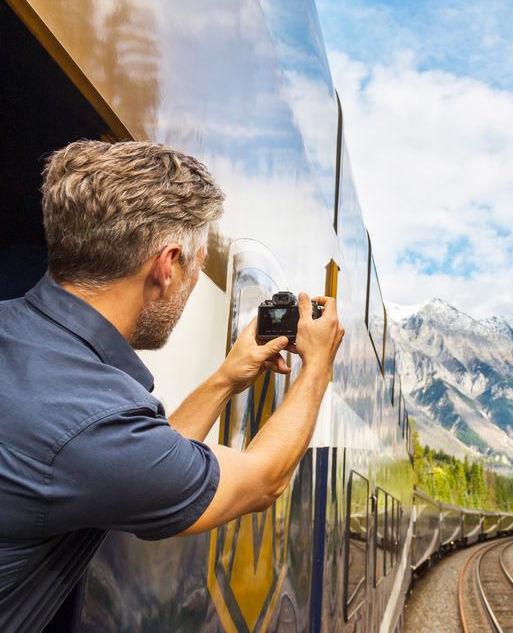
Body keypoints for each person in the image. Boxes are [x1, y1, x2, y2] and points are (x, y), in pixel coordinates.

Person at [0, 141, 344, 632]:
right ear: (166, 266)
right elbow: (263, 479)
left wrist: (228, 376)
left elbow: (146, 458)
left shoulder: (30, 348)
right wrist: (317, 367)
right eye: (196, 266)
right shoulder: (92, 423)